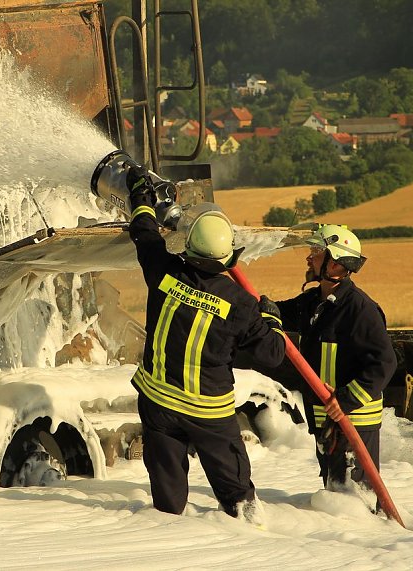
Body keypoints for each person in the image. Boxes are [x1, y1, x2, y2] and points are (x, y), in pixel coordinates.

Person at [126, 165, 286, 521]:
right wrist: (271, 319)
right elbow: (273, 355)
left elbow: (144, 233)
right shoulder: (240, 304)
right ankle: (249, 540)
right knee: (238, 497)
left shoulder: (163, 271)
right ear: (228, 255)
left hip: (158, 404)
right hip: (207, 413)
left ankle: (168, 542)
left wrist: (140, 199)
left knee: (167, 505)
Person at [265, 224, 397, 495]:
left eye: (316, 252)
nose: (309, 258)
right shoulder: (314, 302)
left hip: (352, 421)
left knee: (355, 499)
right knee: (334, 494)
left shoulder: (360, 310)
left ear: (336, 263)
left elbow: (384, 363)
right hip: (327, 420)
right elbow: (279, 312)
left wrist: (345, 401)